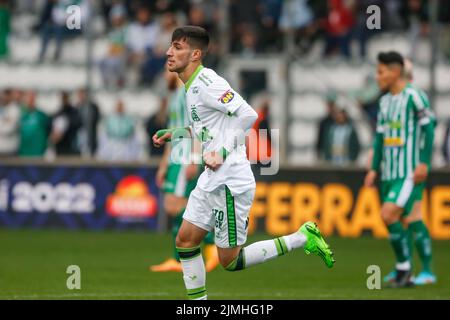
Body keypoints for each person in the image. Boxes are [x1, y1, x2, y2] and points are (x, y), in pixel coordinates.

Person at [152, 26, 334, 300]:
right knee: (185, 241)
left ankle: (301, 237)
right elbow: (206, 129)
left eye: (177, 46)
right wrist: (176, 134)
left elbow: (248, 115)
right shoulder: (190, 87)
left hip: (229, 181)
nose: (169, 52)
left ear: (195, 54)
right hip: (211, 178)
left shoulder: (208, 82)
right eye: (170, 45)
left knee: (230, 261)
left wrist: (221, 153)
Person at [364, 51, 436, 288]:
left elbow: (429, 128)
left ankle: (409, 269)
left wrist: (424, 162)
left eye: (381, 71)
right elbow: (380, 138)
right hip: (389, 173)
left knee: (389, 214)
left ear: (395, 72)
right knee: (408, 218)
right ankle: (411, 269)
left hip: (409, 172)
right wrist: (374, 169)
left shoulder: (415, 96)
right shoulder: (385, 102)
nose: (377, 76)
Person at [150, 70, 219, 273]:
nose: (164, 72)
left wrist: (194, 159)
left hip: (186, 155)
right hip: (176, 156)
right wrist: (164, 165)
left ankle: (209, 244)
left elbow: (198, 127)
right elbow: (173, 133)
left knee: (176, 205)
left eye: (167, 67)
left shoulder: (188, 93)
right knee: (180, 206)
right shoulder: (175, 96)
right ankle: (181, 257)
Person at [18, 91, 51, 157]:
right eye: (27, 99)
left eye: (31, 99)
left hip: (38, 152)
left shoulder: (41, 115)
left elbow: (49, 130)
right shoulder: (22, 115)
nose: (29, 101)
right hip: (24, 152)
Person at [50, 91, 81, 156]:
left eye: (65, 98)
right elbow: (54, 134)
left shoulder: (74, 113)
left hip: (72, 149)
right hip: (60, 150)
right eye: (62, 98)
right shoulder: (58, 114)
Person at [0, 89, 20, 156]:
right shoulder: (2, 108)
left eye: (5, 96)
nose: (2, 98)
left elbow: (9, 129)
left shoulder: (15, 109)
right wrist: (4, 122)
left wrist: (4, 123)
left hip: (10, 150)